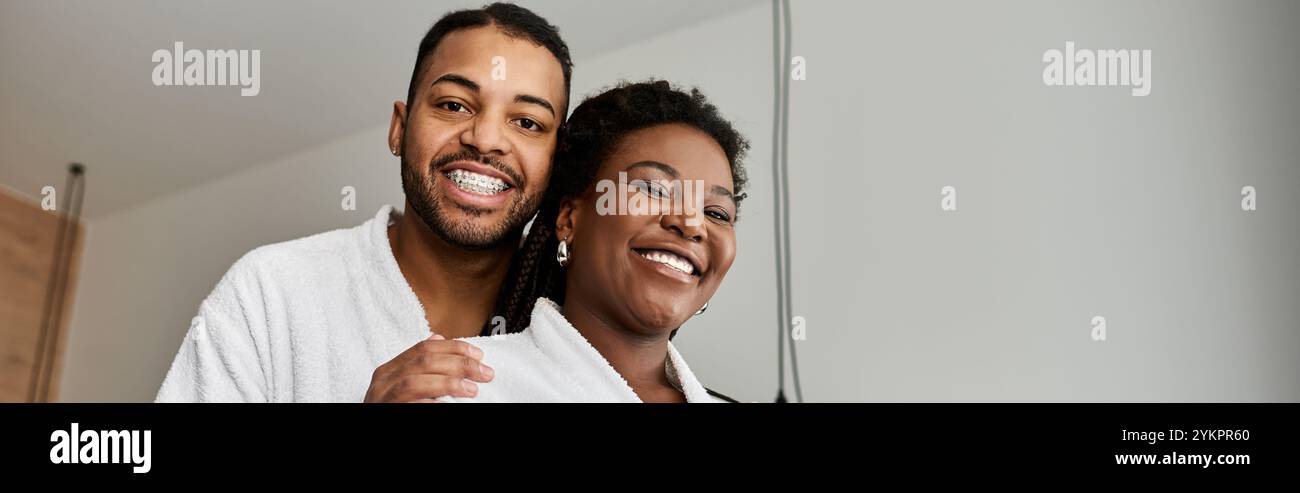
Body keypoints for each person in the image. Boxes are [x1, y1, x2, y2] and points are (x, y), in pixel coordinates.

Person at [156, 3, 572, 402]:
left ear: (556, 162)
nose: (484, 138)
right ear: (399, 129)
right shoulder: (269, 292)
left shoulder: (575, 330)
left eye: (527, 123)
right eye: (453, 105)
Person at [441, 80, 749, 403]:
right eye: (654, 190)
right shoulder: (462, 388)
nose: (691, 224)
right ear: (569, 220)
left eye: (716, 213)